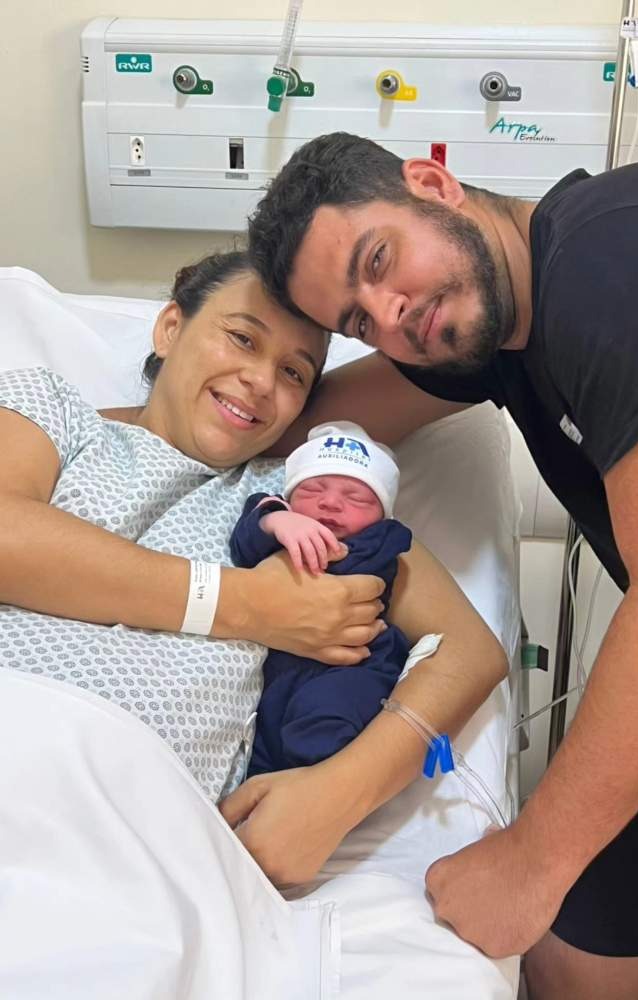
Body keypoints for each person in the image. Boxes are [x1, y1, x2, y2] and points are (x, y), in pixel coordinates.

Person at [246, 133, 638, 999]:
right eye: (359, 322)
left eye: (380, 260)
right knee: (565, 971)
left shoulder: (615, 256)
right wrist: (138, 417)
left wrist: (533, 859)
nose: (392, 316)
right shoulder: (490, 340)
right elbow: (294, 422)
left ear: (432, 184)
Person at [0, 248, 508, 887]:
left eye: (294, 373)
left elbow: (468, 654)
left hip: (143, 847)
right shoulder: (54, 415)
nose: (263, 382)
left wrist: (337, 794)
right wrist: (245, 604)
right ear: (171, 328)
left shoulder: (303, 500)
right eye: (242, 338)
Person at [230, 420, 411, 776]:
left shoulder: (382, 538)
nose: (329, 502)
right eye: (312, 490)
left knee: (326, 715)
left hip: (355, 661)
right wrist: (277, 521)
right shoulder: (276, 520)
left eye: (356, 498)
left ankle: (323, 778)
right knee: (261, 752)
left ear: (382, 514)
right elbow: (245, 542)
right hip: (278, 669)